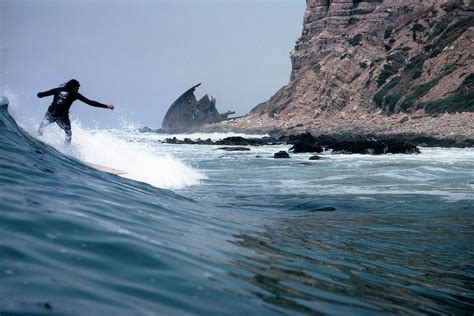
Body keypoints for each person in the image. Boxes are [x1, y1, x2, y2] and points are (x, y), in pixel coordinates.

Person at [37, 79, 114, 144]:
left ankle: (38, 138)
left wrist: (39, 94)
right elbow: (90, 102)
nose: (78, 90)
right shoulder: (75, 94)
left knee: (42, 127)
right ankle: (66, 149)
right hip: (62, 116)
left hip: (52, 113)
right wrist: (106, 106)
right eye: (77, 88)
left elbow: (42, 94)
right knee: (68, 134)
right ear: (73, 87)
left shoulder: (57, 90)